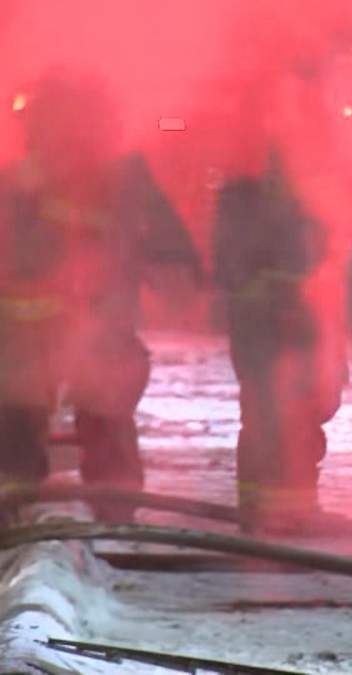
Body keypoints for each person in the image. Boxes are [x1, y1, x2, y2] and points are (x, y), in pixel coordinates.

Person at [0, 70, 202, 522]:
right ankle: (17, 519)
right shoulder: (18, 182)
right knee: (16, 431)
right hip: (26, 344)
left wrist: (178, 277)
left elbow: (166, 241)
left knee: (105, 422)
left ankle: (112, 520)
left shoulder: (120, 179)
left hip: (95, 335)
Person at [211, 62, 352, 533]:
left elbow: (325, 238)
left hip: (299, 307)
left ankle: (294, 508)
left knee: (302, 406)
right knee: (268, 409)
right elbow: (236, 251)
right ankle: (263, 512)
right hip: (268, 313)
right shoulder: (247, 181)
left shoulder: (304, 168)